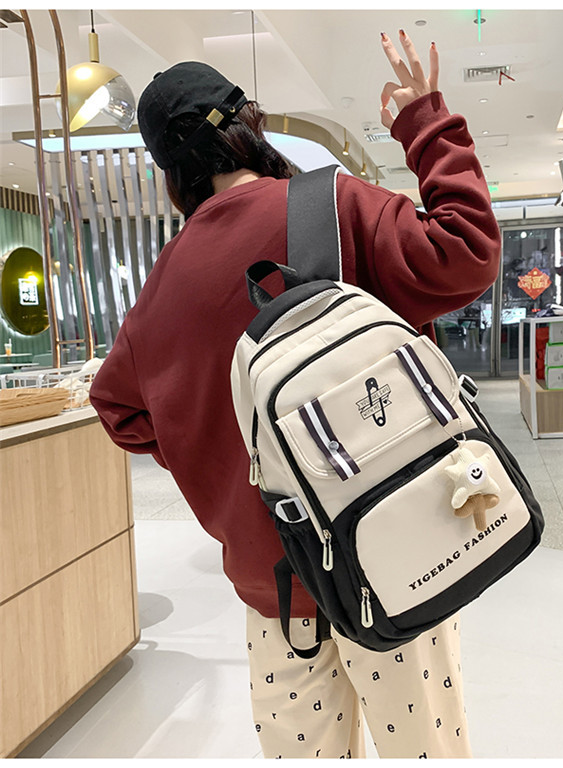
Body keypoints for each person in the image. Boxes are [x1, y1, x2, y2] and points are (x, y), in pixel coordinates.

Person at [90, 29, 501, 759]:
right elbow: (466, 251)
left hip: (275, 590)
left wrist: (217, 452)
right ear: (248, 126)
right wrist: (425, 122)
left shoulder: (163, 288)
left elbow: (118, 409)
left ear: (170, 175)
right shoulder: (330, 207)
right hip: (393, 554)